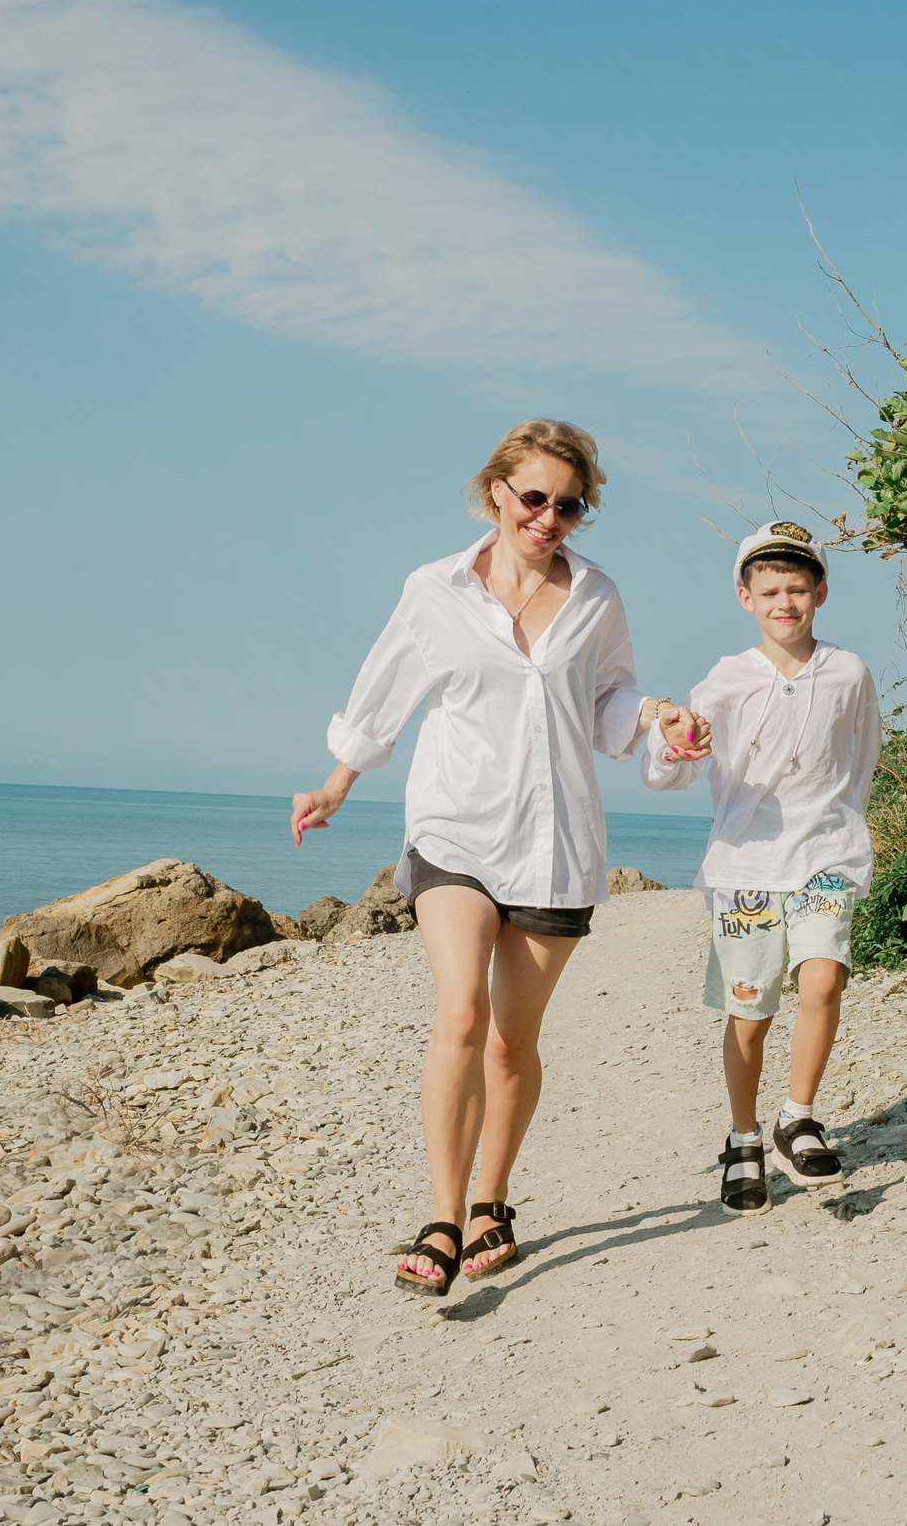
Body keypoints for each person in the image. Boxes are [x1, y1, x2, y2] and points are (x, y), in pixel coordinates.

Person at [292, 419, 710, 1293]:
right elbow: (383, 693)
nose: (549, 517)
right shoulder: (434, 589)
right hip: (453, 827)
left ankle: (492, 1200)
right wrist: (334, 785)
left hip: (554, 843)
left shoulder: (597, 596)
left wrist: (656, 719)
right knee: (460, 1013)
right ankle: (443, 1217)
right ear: (497, 492)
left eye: (570, 505)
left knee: (512, 1043)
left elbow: (607, 704)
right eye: (535, 498)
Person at [642, 522, 880, 1214]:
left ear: (821, 593)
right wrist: (672, 747)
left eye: (797, 589)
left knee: (824, 978)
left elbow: (862, 759)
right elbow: (672, 772)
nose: (785, 603)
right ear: (745, 597)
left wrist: (848, 832)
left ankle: (797, 1117)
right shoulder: (725, 679)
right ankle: (743, 1136)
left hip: (825, 854)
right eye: (770, 591)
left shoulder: (849, 672)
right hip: (745, 866)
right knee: (750, 1011)